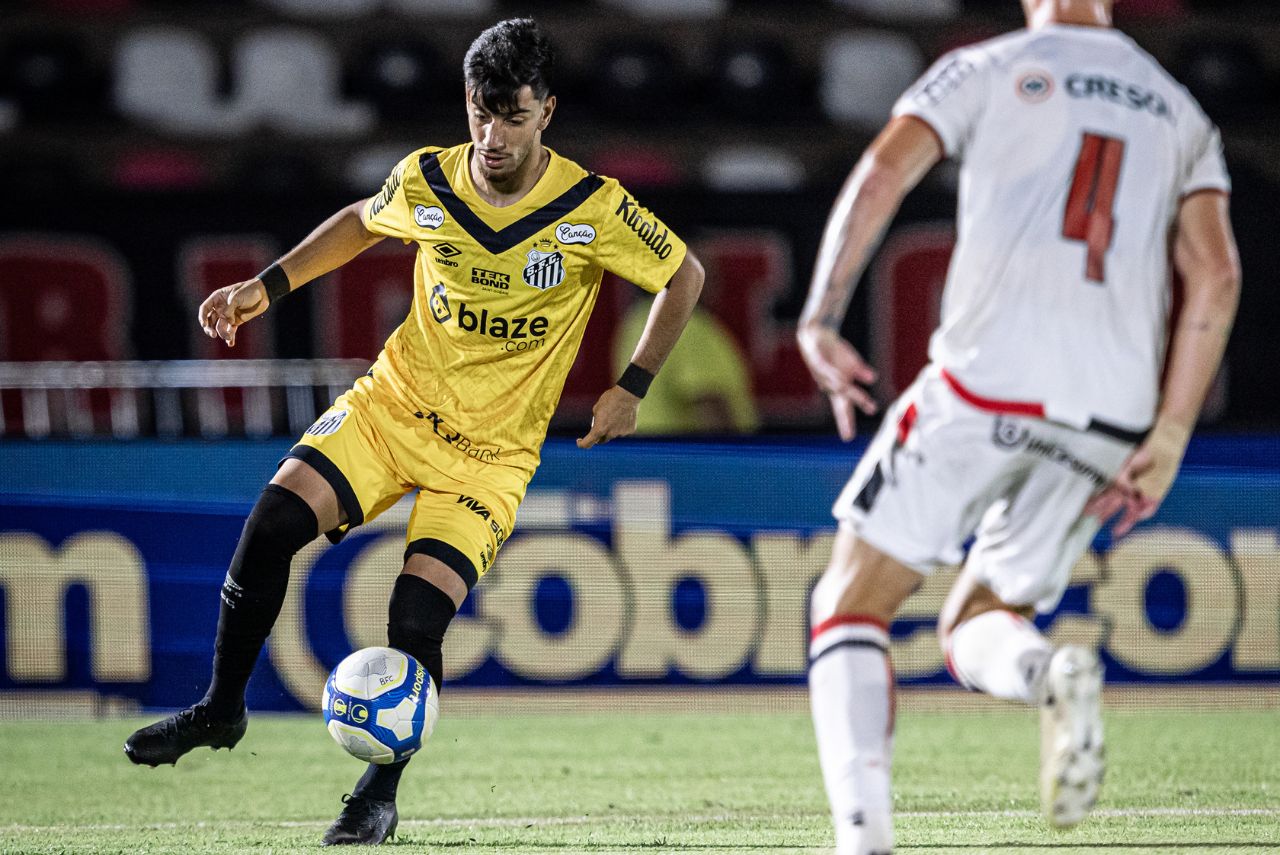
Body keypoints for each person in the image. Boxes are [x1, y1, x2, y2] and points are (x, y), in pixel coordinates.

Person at [123, 18, 704, 846]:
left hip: (490, 455)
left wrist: (633, 385)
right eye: (479, 112)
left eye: (510, 113)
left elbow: (684, 272)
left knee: (414, 621)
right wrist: (268, 285)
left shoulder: (590, 207)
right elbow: (364, 219)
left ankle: (379, 792)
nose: (491, 134)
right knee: (272, 523)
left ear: (547, 111)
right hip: (391, 409)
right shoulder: (429, 179)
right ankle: (221, 709)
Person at [796, 1, 1240, 852]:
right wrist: (1173, 432)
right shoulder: (1180, 107)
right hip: (1109, 414)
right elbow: (1216, 276)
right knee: (977, 618)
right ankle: (1043, 671)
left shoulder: (985, 67)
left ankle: (863, 838)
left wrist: (820, 314)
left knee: (847, 605)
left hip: (985, 385)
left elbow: (882, 173)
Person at [612, 295, 760, 435]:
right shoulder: (687, 325)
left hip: (646, 455)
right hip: (688, 458)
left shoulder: (634, 323)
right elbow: (711, 411)